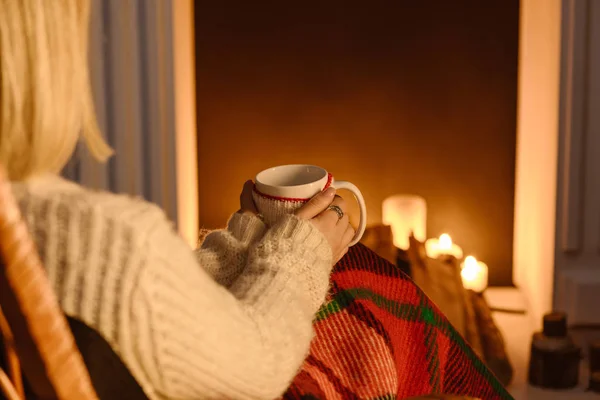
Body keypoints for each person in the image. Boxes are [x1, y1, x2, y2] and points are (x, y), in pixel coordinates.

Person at [0, 1, 354, 399]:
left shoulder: (40, 229)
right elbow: (259, 366)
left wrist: (244, 233)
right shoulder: (111, 239)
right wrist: (305, 254)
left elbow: (165, 322)